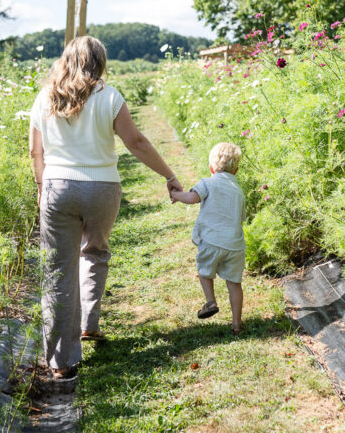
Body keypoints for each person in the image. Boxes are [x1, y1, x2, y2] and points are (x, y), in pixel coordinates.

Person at [29, 35, 183, 380]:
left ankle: (61, 362)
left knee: (57, 271)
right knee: (95, 252)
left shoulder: (44, 97)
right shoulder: (109, 96)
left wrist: (42, 189)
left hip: (57, 187)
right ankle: (88, 324)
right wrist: (169, 175)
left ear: (67, 59)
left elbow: (35, 152)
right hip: (102, 188)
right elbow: (136, 142)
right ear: (99, 62)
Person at [170, 142, 246, 335]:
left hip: (212, 241)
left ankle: (211, 301)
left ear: (211, 168)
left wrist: (176, 195)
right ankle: (236, 324)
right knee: (234, 284)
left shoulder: (207, 183)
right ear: (236, 171)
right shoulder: (239, 191)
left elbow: (191, 199)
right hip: (235, 245)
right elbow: (242, 218)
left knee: (205, 272)